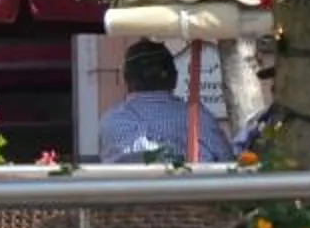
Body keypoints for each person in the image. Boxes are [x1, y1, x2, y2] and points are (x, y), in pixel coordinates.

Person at [95, 40, 231, 164]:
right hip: (189, 189)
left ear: (126, 80)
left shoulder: (110, 122)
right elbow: (227, 161)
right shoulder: (200, 119)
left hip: (127, 190)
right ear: (175, 78)